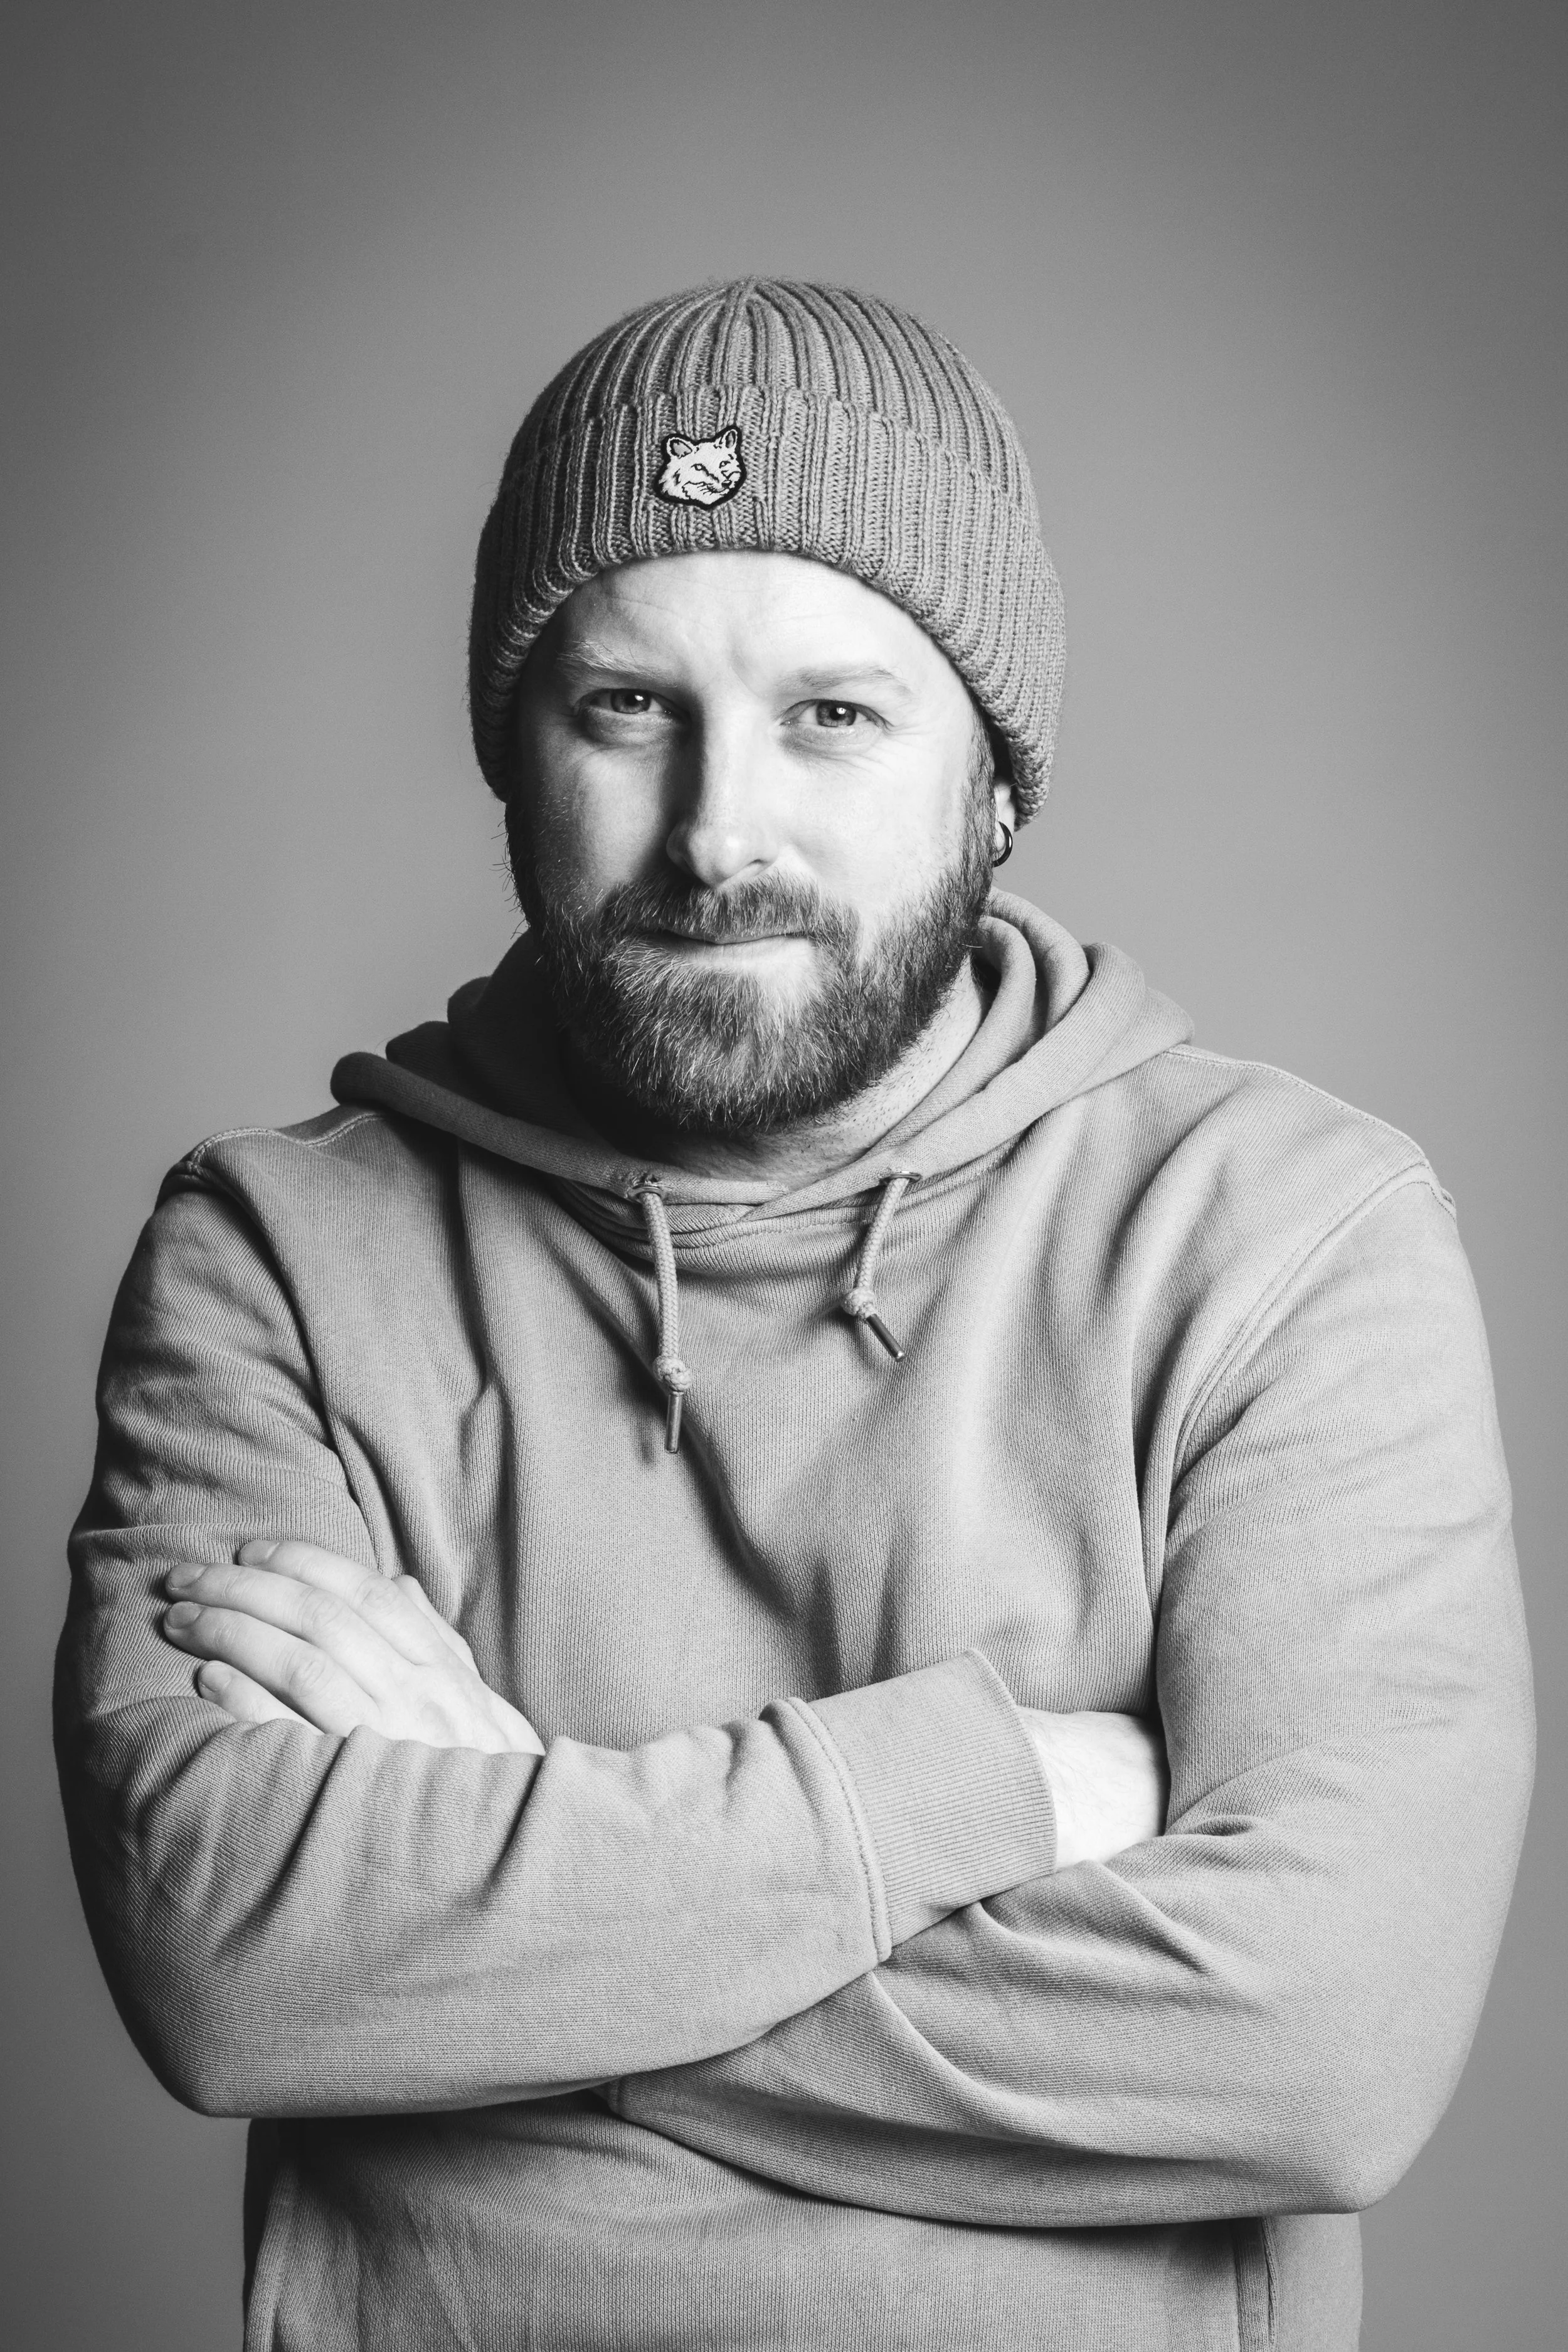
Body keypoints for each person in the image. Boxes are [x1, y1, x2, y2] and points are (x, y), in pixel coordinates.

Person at [56, 280, 1533, 2352]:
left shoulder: (1281, 1230)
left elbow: (1321, 2047)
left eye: (832, 714)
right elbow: (238, 1965)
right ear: (509, 754)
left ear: (993, 779)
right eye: (624, 706)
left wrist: (518, 1888)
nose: (717, 832)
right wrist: (987, 1790)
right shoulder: (277, 1255)